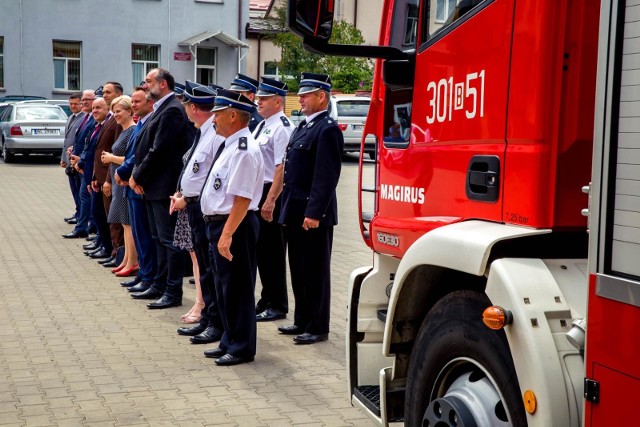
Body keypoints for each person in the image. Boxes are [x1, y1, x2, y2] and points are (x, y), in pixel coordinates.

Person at [277, 72, 344, 345]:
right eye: (301, 94)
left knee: (315, 272)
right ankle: (302, 319)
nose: (301, 98)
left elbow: (326, 176)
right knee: (299, 269)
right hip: (295, 210)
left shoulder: (327, 128)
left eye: (306, 94)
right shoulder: (303, 126)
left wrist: (314, 213)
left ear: (321, 97)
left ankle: (317, 326)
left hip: (313, 214)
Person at [200, 89, 264, 366]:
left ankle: (241, 348)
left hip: (234, 226)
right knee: (223, 287)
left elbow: (242, 198)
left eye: (218, 114)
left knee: (237, 290)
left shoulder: (244, 150)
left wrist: (226, 235)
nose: (213, 119)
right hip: (220, 225)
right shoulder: (230, 145)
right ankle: (228, 338)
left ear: (233, 115)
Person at [129, 68, 189, 309]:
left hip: (164, 185)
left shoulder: (172, 109)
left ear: (163, 84)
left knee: (168, 240)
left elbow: (160, 150)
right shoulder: (161, 108)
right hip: (154, 186)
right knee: (157, 238)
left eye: (149, 81)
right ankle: (159, 284)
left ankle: (172, 291)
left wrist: (137, 175)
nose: (145, 85)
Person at [171, 82, 225, 344]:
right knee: (203, 268)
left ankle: (215, 322)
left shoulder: (214, 134)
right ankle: (207, 318)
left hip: (202, 208)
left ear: (193, 107)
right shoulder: (202, 131)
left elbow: (213, 178)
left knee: (210, 269)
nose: (185, 110)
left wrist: (189, 198)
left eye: (186, 105)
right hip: (192, 205)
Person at [253, 77, 293, 322]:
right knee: (262, 251)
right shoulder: (264, 124)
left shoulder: (282, 127)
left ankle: (278, 304)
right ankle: (266, 298)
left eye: (264, 98)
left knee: (273, 253)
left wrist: (270, 200)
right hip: (260, 190)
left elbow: (281, 167)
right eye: (259, 98)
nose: (259, 102)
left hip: (272, 192)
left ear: (278, 101)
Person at [115, 87, 156, 292]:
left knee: (144, 236)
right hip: (131, 186)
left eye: (137, 102)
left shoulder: (148, 122)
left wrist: (124, 171)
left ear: (150, 103)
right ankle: (143, 275)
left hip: (139, 185)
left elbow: (140, 155)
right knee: (139, 235)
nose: (134, 106)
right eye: (132, 102)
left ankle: (148, 277)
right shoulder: (141, 123)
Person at [101, 95, 138, 276]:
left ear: (129, 111)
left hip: (125, 182)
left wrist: (111, 158)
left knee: (128, 224)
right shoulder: (122, 130)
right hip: (118, 182)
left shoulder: (132, 130)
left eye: (118, 111)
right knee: (124, 224)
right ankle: (126, 260)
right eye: (113, 111)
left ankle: (132, 262)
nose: (115, 115)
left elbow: (132, 159)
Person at [93, 81, 124, 266]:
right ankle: (112, 250)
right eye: (103, 92)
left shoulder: (117, 121)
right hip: (103, 175)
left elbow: (115, 153)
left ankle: (116, 253)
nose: (105, 95)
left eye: (108, 92)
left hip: (112, 177)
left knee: (115, 219)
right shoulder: (109, 119)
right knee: (106, 216)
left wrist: (107, 180)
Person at [76, 97, 111, 259]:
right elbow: (91, 149)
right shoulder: (97, 125)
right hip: (94, 176)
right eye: (94, 108)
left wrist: (99, 177)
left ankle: (107, 246)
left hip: (104, 178)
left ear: (107, 108)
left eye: (99, 108)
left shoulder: (111, 125)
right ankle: (102, 243)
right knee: (97, 212)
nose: (95, 110)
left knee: (102, 213)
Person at [67, 90, 97, 239]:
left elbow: (94, 144)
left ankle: (85, 226)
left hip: (87, 164)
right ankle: (86, 225)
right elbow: (82, 140)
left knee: (85, 196)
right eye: (83, 99)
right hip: (79, 162)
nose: (84, 102)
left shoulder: (94, 119)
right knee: (82, 194)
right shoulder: (86, 117)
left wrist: (82, 158)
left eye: (88, 99)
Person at [60, 92, 86, 234]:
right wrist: (63, 158)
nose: (73, 106)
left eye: (76, 103)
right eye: (71, 104)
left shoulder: (84, 119)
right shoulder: (70, 118)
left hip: (78, 160)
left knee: (80, 190)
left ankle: (82, 215)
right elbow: (66, 140)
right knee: (74, 189)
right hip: (69, 160)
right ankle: (78, 213)